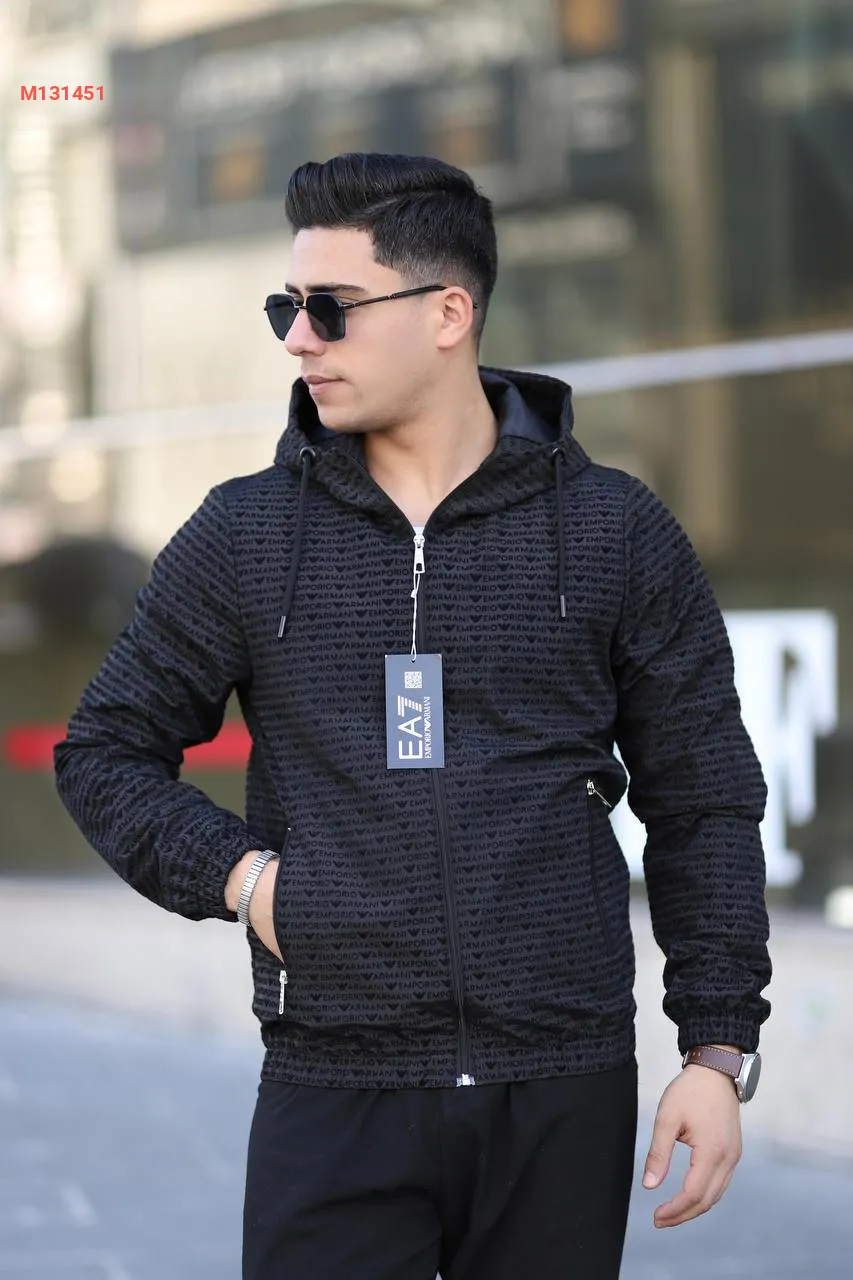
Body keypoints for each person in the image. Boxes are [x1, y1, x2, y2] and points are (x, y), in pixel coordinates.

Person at [54, 152, 771, 1280]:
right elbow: (104, 751)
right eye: (286, 308)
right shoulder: (248, 534)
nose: (299, 339)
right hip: (334, 1086)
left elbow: (705, 798)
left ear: (448, 313)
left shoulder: (612, 530)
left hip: (560, 1086)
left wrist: (715, 1048)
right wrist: (250, 882)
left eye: (331, 307)